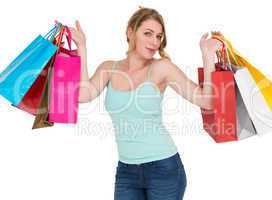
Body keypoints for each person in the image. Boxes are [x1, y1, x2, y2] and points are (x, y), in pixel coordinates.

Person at [69, 7, 222, 200]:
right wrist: (82, 47)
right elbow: (83, 95)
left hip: (164, 169)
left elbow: (206, 101)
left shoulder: (161, 68)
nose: (154, 42)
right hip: (126, 171)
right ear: (130, 32)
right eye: (148, 33)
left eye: (158, 36)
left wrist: (207, 55)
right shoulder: (109, 68)